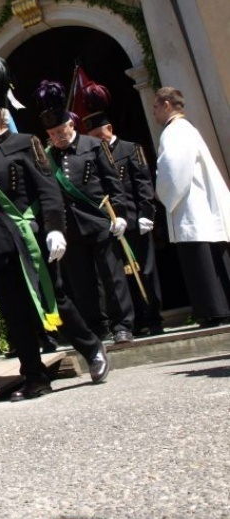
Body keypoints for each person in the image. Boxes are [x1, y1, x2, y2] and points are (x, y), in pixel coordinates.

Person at [0, 51, 109, 401]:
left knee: (56, 300)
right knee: (15, 313)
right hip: (2, 248)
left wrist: (55, 229)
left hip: (31, 240)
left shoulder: (26, 143)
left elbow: (48, 191)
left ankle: (92, 348)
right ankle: (34, 376)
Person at [35, 80, 135, 343]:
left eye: (61, 131)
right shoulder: (48, 157)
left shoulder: (93, 146)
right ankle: (97, 326)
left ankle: (122, 324)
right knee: (82, 282)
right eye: (53, 134)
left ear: (71, 125)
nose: (58, 137)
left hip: (100, 220)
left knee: (112, 276)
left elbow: (113, 182)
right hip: (71, 228)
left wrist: (121, 214)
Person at [82, 84, 164, 336]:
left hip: (134, 220)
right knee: (121, 276)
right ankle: (133, 321)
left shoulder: (130, 149)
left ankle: (153, 317)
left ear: (110, 129)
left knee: (145, 271)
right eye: (93, 138)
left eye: (101, 135)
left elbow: (143, 184)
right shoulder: (93, 156)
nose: (99, 141)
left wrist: (146, 215)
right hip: (112, 225)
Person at [153, 87, 230, 326]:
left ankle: (210, 311)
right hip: (199, 206)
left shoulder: (174, 132)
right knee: (213, 262)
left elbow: (173, 172)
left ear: (166, 104)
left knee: (199, 263)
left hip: (190, 208)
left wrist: (160, 191)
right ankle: (220, 307)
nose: (154, 112)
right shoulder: (188, 129)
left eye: (156, 107)